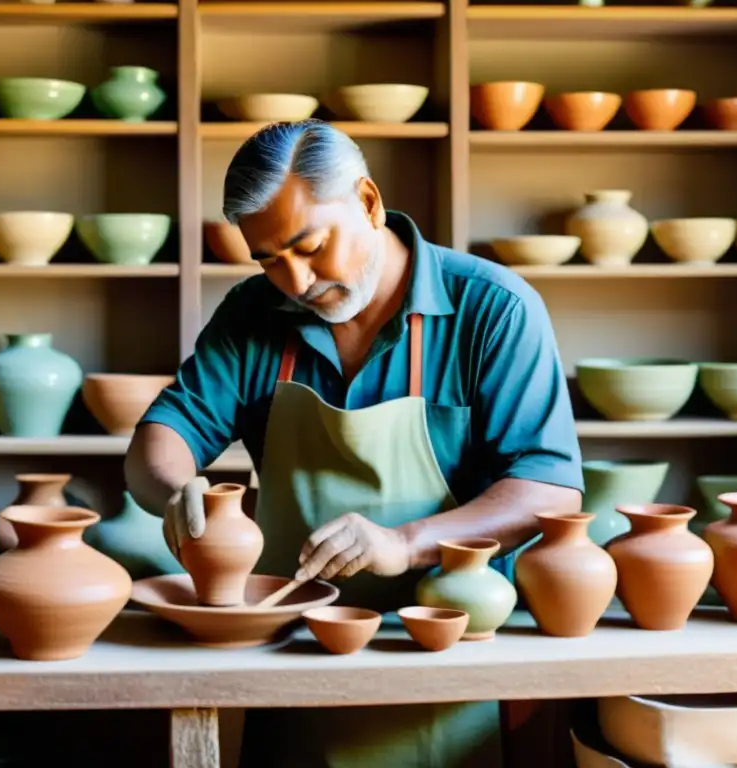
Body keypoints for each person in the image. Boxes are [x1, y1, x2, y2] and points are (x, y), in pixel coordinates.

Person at [125, 119, 583, 768]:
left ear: (367, 202)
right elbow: (161, 437)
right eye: (267, 259)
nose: (295, 280)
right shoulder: (254, 313)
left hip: (446, 651)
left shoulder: (494, 308)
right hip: (294, 653)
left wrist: (404, 542)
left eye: (310, 246)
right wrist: (176, 493)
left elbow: (549, 488)